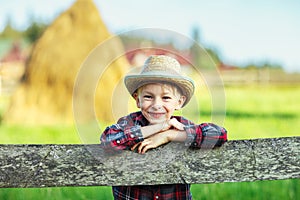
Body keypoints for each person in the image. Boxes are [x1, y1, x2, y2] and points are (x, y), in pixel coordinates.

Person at [100, 55, 227, 200]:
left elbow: (220, 135)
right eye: (148, 97)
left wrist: (169, 135)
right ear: (137, 100)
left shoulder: (180, 126)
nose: (156, 105)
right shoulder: (129, 123)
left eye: (166, 98)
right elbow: (108, 141)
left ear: (179, 102)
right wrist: (159, 127)